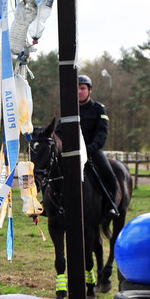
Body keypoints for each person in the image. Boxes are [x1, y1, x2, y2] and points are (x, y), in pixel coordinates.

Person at [57, 73, 119, 216]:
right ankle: (52, 205)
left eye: (83, 88)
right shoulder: (68, 109)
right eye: (76, 88)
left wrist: (87, 150)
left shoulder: (98, 109)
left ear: (89, 90)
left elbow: (101, 135)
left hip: (92, 151)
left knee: (109, 174)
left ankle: (112, 204)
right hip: (71, 152)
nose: (79, 91)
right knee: (54, 173)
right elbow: (58, 133)